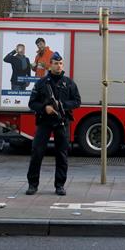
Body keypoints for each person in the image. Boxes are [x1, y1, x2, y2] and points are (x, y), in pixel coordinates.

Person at [26, 51, 81, 196]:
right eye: (56, 63)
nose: (58, 66)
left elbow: (77, 101)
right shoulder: (41, 83)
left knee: (62, 155)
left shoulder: (69, 83)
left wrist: (62, 105)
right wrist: (45, 108)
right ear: (50, 65)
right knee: (37, 152)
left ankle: (60, 185)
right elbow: (32, 103)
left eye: (60, 63)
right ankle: (32, 184)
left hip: (62, 122)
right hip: (45, 121)